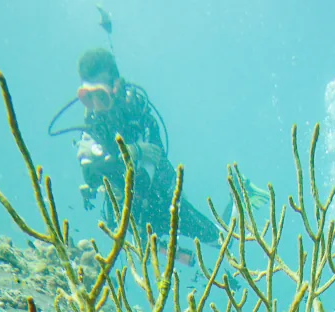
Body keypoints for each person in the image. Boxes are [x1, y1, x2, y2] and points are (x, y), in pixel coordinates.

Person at [63, 48, 220, 246]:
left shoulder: (140, 117)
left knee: (216, 238)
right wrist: (133, 152)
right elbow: (90, 175)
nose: (97, 106)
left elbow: (144, 178)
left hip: (163, 202)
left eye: (101, 96)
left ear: (116, 86)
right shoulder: (93, 126)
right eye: (88, 97)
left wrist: (110, 163)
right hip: (128, 215)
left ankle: (233, 215)